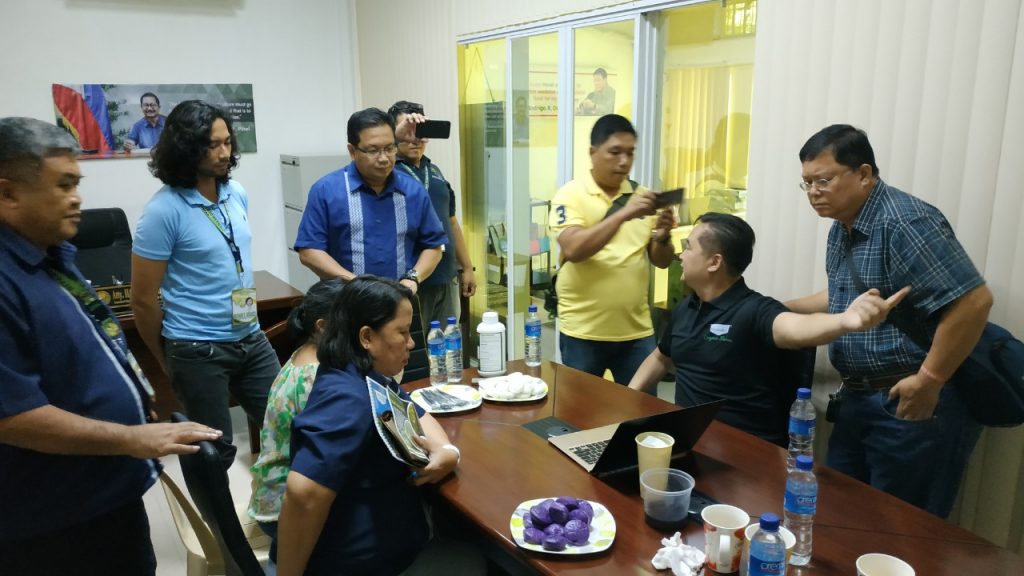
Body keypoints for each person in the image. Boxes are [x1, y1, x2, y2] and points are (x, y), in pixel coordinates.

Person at [0, 116, 221, 574]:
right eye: (63, 185)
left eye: (77, 183)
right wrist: (133, 437)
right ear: (8, 194)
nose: (76, 198)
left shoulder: (50, 252)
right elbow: (13, 417)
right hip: (54, 524)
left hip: (105, 493)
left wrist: (134, 401)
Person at [786, 124, 992, 517]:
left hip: (907, 402)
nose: (813, 192)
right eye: (807, 183)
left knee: (901, 527)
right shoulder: (843, 226)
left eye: (823, 180)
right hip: (858, 399)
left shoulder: (904, 221)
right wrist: (776, 309)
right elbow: (843, 295)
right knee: (844, 517)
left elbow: (973, 301)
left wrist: (929, 381)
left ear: (864, 174)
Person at [628, 212, 908, 445]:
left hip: (745, 453)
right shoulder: (686, 309)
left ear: (714, 262)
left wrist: (845, 321)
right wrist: (630, 396)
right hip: (690, 440)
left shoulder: (753, 311)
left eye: (688, 247)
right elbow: (660, 358)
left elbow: (796, 327)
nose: (681, 255)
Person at [275, 276, 464, 576]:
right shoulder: (347, 399)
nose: (412, 343)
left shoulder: (360, 373)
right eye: (402, 332)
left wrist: (447, 450)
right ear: (366, 337)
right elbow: (302, 493)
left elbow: (416, 412)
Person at [131, 100, 280, 466]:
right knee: (213, 456)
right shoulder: (164, 211)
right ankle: (215, 508)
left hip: (250, 335)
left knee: (289, 425)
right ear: (185, 148)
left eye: (227, 142)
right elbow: (143, 299)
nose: (224, 153)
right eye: (212, 145)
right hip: (197, 347)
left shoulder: (235, 192)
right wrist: (166, 358)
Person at [550, 114, 676, 384]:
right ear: (593, 153)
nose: (624, 161)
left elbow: (661, 261)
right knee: (581, 407)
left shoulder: (642, 197)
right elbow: (574, 249)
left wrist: (663, 237)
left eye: (630, 153)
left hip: (636, 331)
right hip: (583, 332)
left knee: (641, 408)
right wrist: (624, 214)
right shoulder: (570, 195)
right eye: (615, 152)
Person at [294, 107, 447, 295]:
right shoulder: (326, 191)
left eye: (390, 148)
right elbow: (309, 251)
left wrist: (413, 278)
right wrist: (355, 284)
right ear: (352, 151)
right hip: (344, 300)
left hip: (399, 301)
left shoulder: (413, 191)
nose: (384, 158)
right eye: (373, 150)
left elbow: (434, 246)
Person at [248, 277, 346, 561]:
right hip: (284, 511)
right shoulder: (315, 377)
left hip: (272, 493)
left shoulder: (304, 356)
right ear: (322, 327)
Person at [388, 100, 476, 329]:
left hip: (446, 278)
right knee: (412, 346)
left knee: (447, 344)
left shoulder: (434, 171)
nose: (414, 138)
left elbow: (451, 222)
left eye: (420, 130)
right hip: (410, 282)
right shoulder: (387, 173)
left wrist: (467, 267)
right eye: (407, 131)